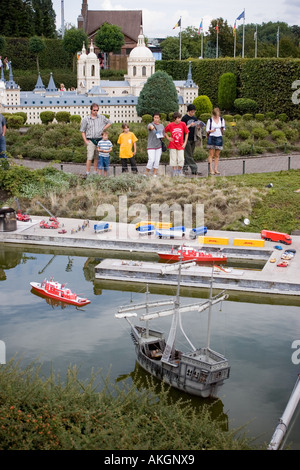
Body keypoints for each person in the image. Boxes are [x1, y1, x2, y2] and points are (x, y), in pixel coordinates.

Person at [80, 103, 112, 176]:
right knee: (89, 157)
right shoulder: (86, 119)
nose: (95, 112)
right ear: (91, 110)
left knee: (97, 157)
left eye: (97, 110)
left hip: (99, 140)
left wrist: (103, 128)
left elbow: (110, 122)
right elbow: (82, 131)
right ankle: (87, 172)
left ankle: (95, 172)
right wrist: (85, 141)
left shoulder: (101, 117)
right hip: (90, 140)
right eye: (94, 110)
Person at [164, 112, 189, 176]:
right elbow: (164, 131)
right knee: (173, 159)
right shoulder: (170, 125)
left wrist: (185, 142)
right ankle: (175, 172)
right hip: (173, 145)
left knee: (181, 159)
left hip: (181, 145)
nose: (179, 119)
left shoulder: (183, 124)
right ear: (174, 119)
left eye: (180, 118)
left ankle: (179, 171)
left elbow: (186, 133)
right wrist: (168, 138)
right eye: (178, 118)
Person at [181, 104, 203, 176]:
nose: (193, 113)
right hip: (186, 138)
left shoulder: (194, 118)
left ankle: (184, 168)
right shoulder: (184, 118)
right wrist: (190, 125)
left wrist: (198, 126)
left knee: (190, 154)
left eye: (194, 112)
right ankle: (194, 169)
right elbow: (183, 128)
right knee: (188, 154)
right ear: (188, 111)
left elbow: (197, 127)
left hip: (193, 138)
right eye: (191, 111)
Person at [206, 108, 225, 175]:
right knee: (211, 154)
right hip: (212, 137)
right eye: (215, 115)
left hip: (219, 137)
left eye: (217, 115)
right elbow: (207, 129)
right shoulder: (210, 120)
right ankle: (211, 169)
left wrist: (221, 129)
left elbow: (223, 128)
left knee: (217, 155)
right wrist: (211, 131)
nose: (216, 116)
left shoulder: (222, 120)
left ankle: (216, 169)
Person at [145, 112, 165, 176]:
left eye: (158, 118)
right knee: (151, 160)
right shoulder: (150, 124)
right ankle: (146, 173)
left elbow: (163, 135)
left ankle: (154, 174)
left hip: (158, 145)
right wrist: (152, 127)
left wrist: (162, 136)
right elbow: (150, 127)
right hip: (151, 145)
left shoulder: (161, 126)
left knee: (157, 160)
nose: (156, 119)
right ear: (153, 118)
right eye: (155, 118)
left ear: (159, 118)